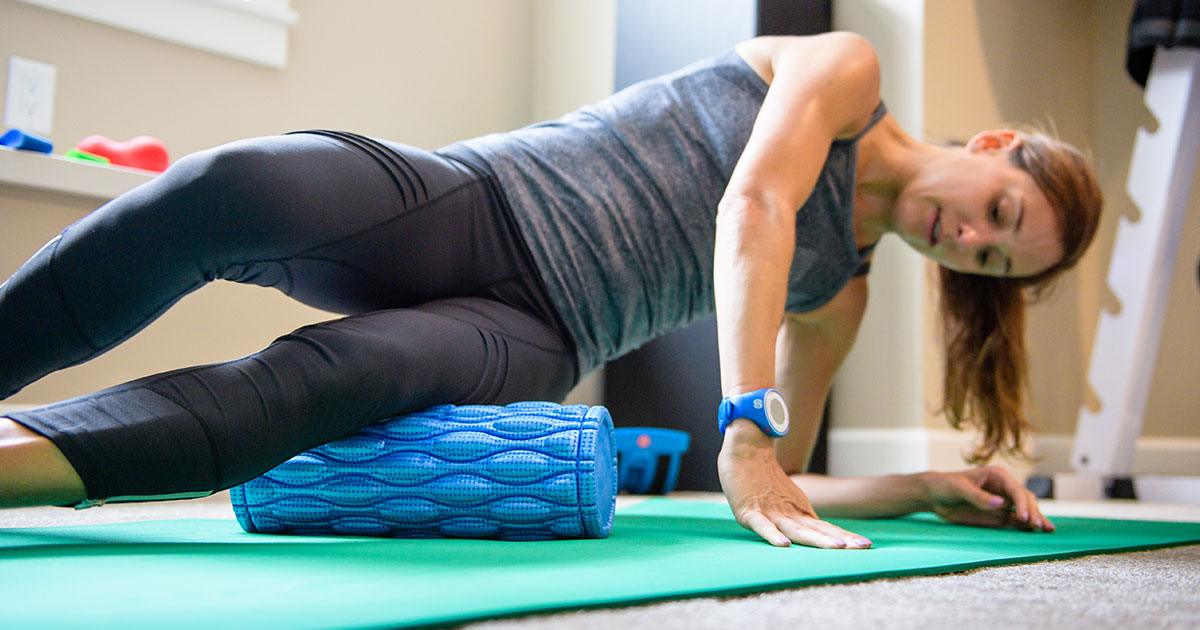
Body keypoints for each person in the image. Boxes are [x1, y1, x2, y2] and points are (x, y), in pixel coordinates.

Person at [0, 33, 1101, 549]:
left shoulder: (838, 292)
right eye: (996, 213)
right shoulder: (846, 73)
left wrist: (917, 486)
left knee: (333, 382)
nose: (964, 239)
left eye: (986, 260)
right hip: (476, 197)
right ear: (993, 144)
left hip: (533, 331)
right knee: (228, 186)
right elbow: (755, 202)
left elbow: (772, 483)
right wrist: (745, 418)